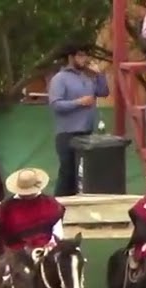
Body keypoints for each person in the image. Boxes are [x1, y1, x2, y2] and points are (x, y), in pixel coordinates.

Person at [48, 43, 111, 196]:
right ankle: (59, 206)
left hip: (87, 132)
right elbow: (56, 104)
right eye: (81, 55)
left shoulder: (88, 77)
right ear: (71, 58)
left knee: (83, 174)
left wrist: (99, 75)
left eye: (85, 55)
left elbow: (103, 92)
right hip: (67, 133)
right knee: (67, 172)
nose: (85, 59)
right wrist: (78, 102)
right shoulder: (60, 78)